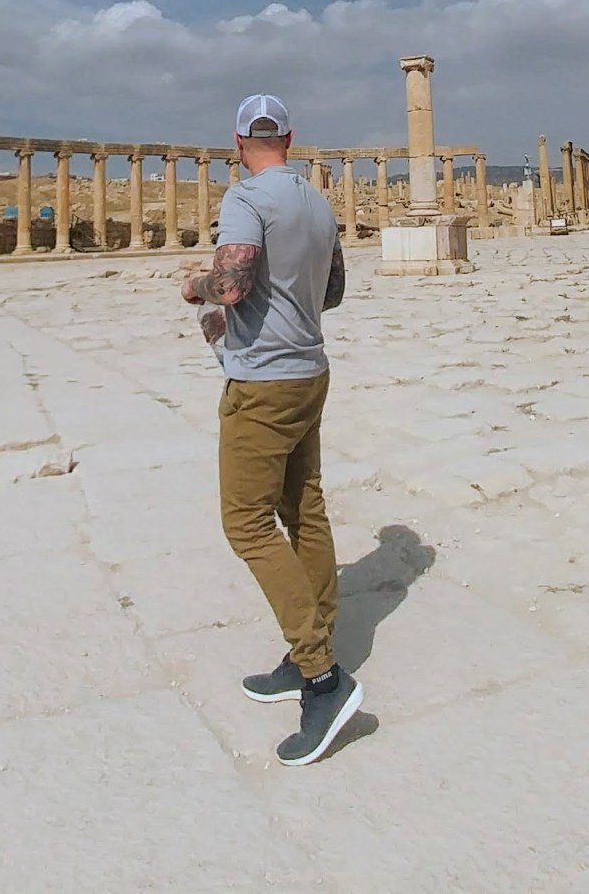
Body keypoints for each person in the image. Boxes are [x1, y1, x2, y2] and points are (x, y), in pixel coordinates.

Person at [181, 92, 358, 766]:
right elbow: (333, 291)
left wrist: (194, 287)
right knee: (302, 509)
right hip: (311, 369)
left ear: (237, 140)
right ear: (290, 135)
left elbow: (231, 284)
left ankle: (321, 676)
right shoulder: (318, 201)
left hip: (263, 382)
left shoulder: (246, 198)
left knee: (247, 522)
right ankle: (309, 647)